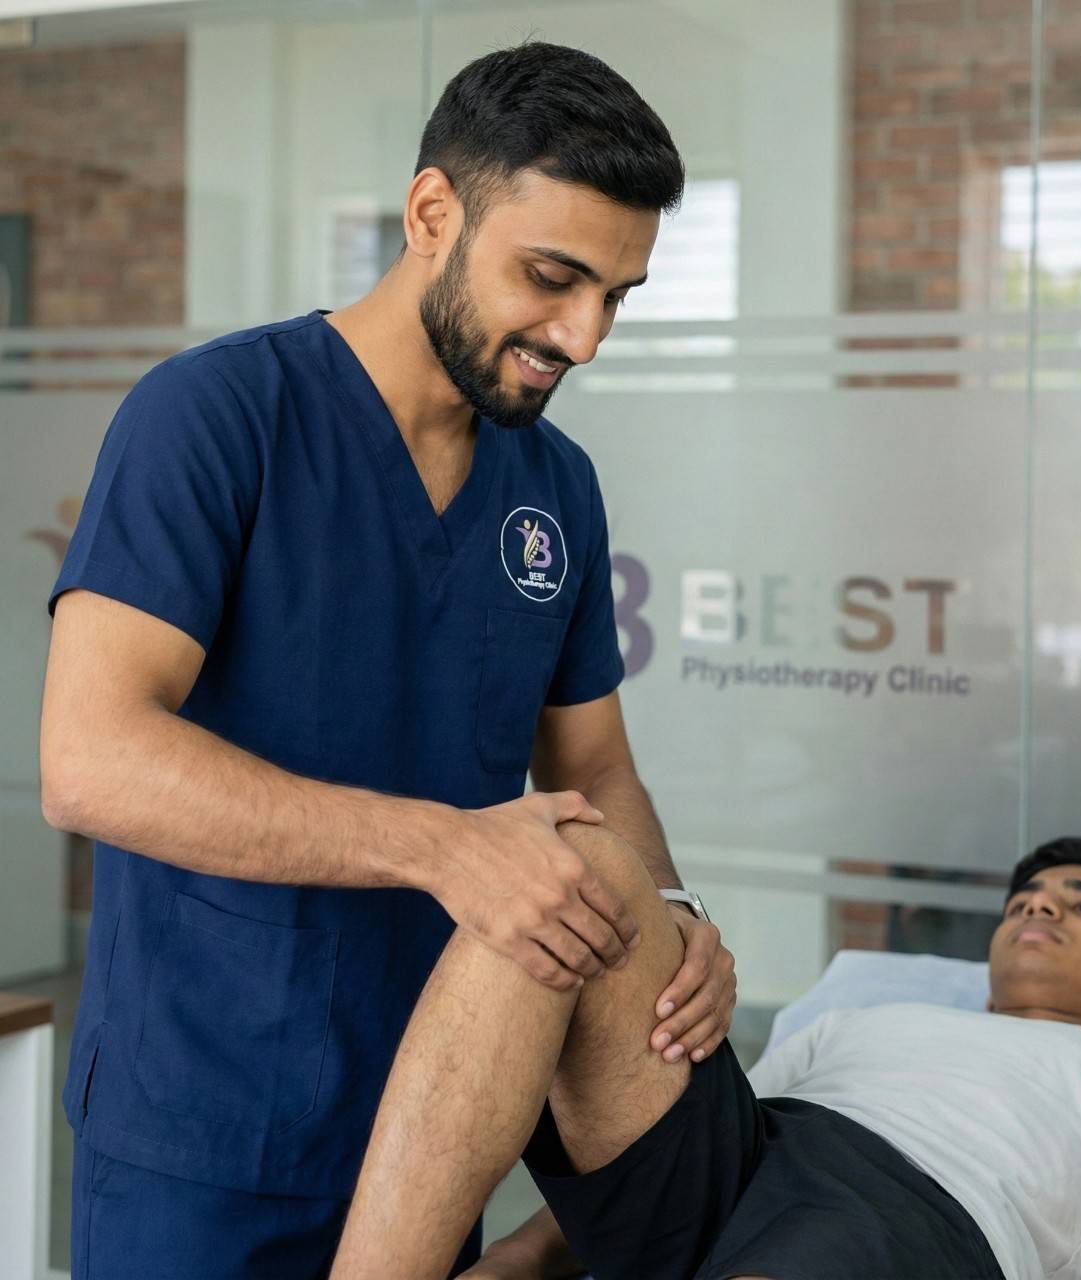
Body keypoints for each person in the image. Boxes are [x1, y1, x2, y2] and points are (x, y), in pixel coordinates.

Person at [38, 42, 737, 1280]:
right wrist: (441, 842)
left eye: (615, 295)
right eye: (552, 277)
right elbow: (90, 759)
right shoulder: (213, 418)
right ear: (431, 213)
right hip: (203, 1126)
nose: (582, 336)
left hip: (428, 1124)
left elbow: (594, 765)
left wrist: (670, 925)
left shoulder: (553, 485)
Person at [331, 835, 1081, 1280]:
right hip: (762, 1147)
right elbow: (701, 1140)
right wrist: (518, 1260)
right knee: (579, 870)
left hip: (921, 1206)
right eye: (1028, 901)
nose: (1040, 912)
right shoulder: (868, 1015)